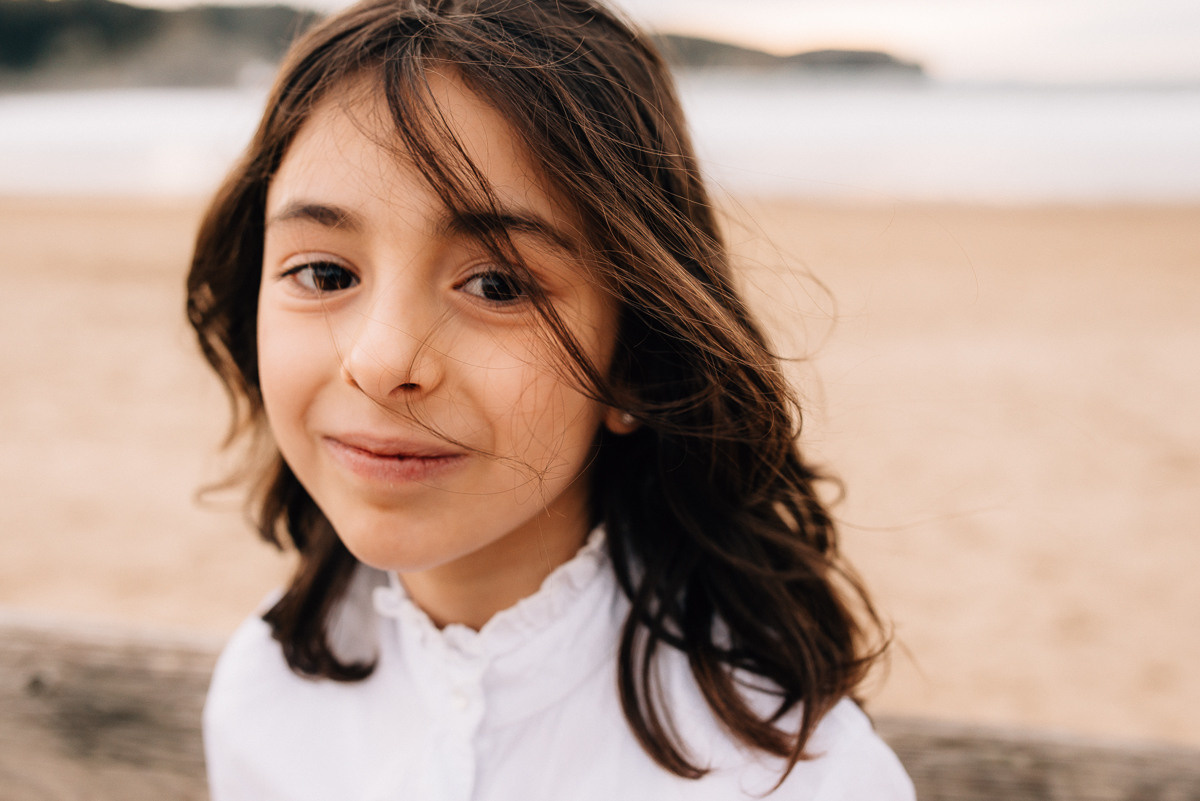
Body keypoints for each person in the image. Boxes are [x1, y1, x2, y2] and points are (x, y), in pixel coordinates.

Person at [187, 0, 915, 797]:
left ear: (636, 357)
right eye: (325, 274)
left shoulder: (793, 775)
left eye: (497, 284)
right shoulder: (264, 699)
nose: (380, 359)